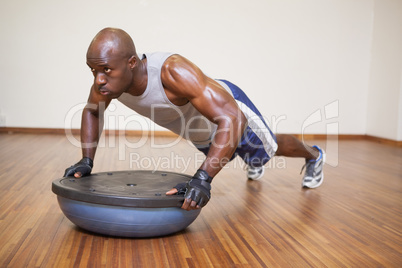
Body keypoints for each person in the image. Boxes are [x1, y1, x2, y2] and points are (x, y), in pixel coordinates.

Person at [64, 28, 325, 211]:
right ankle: (251, 158)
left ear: (132, 62)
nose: (98, 80)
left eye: (106, 70)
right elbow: (92, 111)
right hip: (199, 131)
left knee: (271, 148)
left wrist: (202, 179)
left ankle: (314, 155)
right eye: (94, 71)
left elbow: (232, 119)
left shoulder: (172, 71)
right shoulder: (106, 84)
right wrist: (87, 159)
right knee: (233, 153)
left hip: (230, 113)